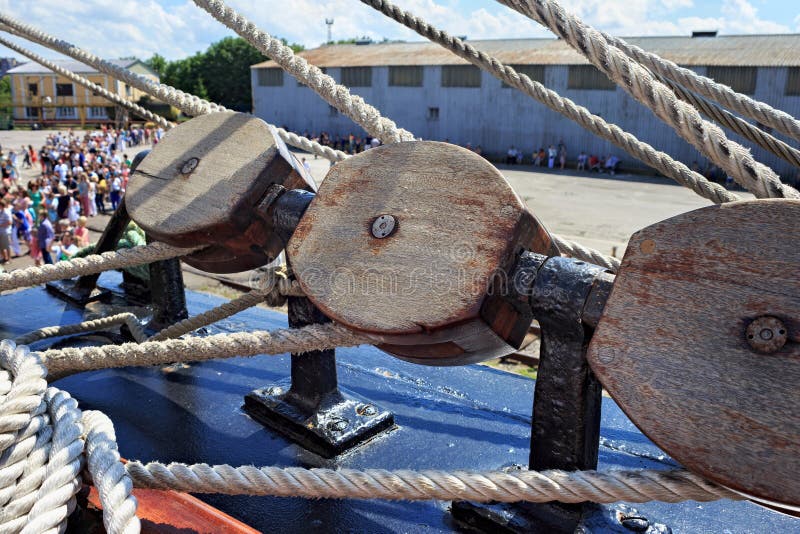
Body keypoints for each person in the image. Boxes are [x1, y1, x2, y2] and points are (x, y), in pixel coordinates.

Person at [0, 199, 11, 263]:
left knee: (7, 246)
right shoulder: (1, 212)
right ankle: (5, 258)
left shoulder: (6, 212)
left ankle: (9, 259)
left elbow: (9, 222)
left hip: (5, 231)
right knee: (1, 246)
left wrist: (1, 225)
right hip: (1, 231)